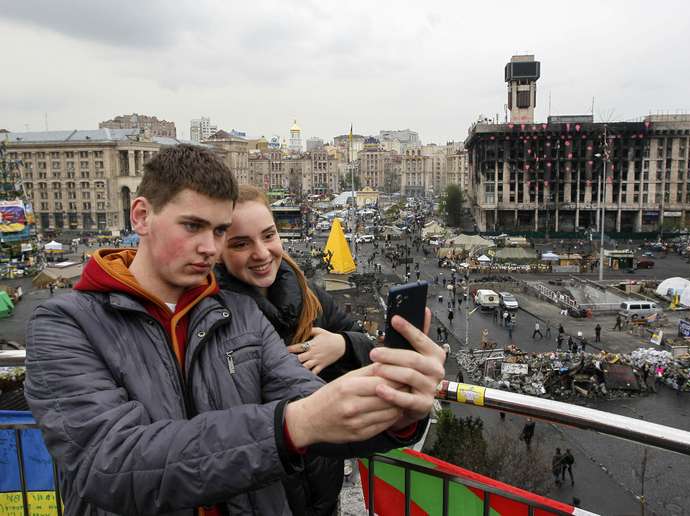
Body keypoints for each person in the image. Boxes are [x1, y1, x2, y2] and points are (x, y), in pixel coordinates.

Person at [24, 145, 445, 516]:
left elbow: (315, 406)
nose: (210, 247)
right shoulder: (65, 325)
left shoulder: (239, 314)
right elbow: (111, 464)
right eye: (193, 226)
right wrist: (289, 426)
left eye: (220, 231)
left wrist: (395, 407)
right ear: (142, 215)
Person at [217, 186, 381, 514]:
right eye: (240, 243)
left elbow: (370, 351)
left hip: (324, 489)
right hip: (264, 499)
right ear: (216, 250)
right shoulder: (215, 316)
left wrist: (343, 345)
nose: (262, 253)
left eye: (269, 235)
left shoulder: (309, 295)